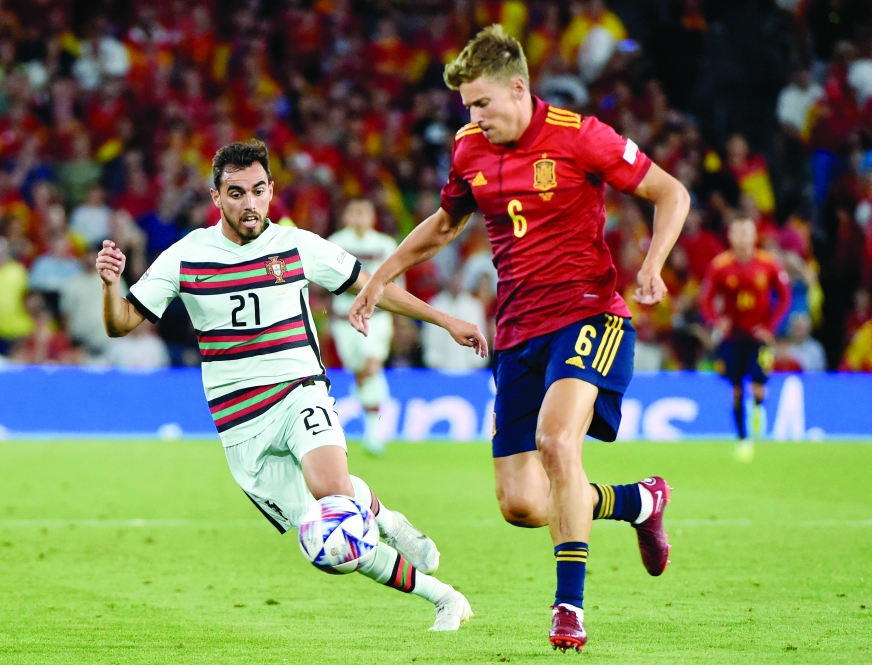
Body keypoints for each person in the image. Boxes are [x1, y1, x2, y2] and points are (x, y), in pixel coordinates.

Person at [349, 25, 690, 652]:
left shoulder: (580, 135)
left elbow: (670, 192)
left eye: (482, 103)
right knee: (523, 503)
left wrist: (652, 265)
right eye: (467, 108)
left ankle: (568, 610)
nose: (474, 118)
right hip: (517, 334)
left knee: (557, 442)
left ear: (517, 88)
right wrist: (382, 276)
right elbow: (445, 224)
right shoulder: (469, 149)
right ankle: (639, 502)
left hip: (588, 317)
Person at [97, 139, 488, 630]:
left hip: (297, 390)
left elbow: (373, 285)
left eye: (258, 190)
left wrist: (445, 320)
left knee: (335, 500)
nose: (250, 203)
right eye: (236, 193)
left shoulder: (296, 245)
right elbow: (121, 322)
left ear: (271, 190)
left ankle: (397, 538)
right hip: (240, 424)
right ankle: (441, 591)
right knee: (329, 548)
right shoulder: (186, 255)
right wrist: (110, 284)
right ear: (216, 196)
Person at [700, 215, 791, 461]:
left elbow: (785, 298)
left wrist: (770, 327)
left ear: (754, 236)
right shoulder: (720, 266)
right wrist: (717, 321)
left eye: (746, 232)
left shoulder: (769, 263)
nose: (742, 238)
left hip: (760, 338)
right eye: (737, 233)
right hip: (733, 337)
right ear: (730, 236)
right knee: (737, 389)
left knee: (758, 386)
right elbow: (706, 300)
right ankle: (742, 438)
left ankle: (759, 408)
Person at [327, 199, 398, 454]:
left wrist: (399, 315)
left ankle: (375, 434)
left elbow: (396, 281)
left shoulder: (384, 244)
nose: (359, 217)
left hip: (375, 316)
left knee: (371, 365)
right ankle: (372, 426)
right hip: (343, 318)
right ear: (346, 216)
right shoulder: (335, 243)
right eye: (354, 212)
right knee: (360, 371)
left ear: (373, 217)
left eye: (364, 212)